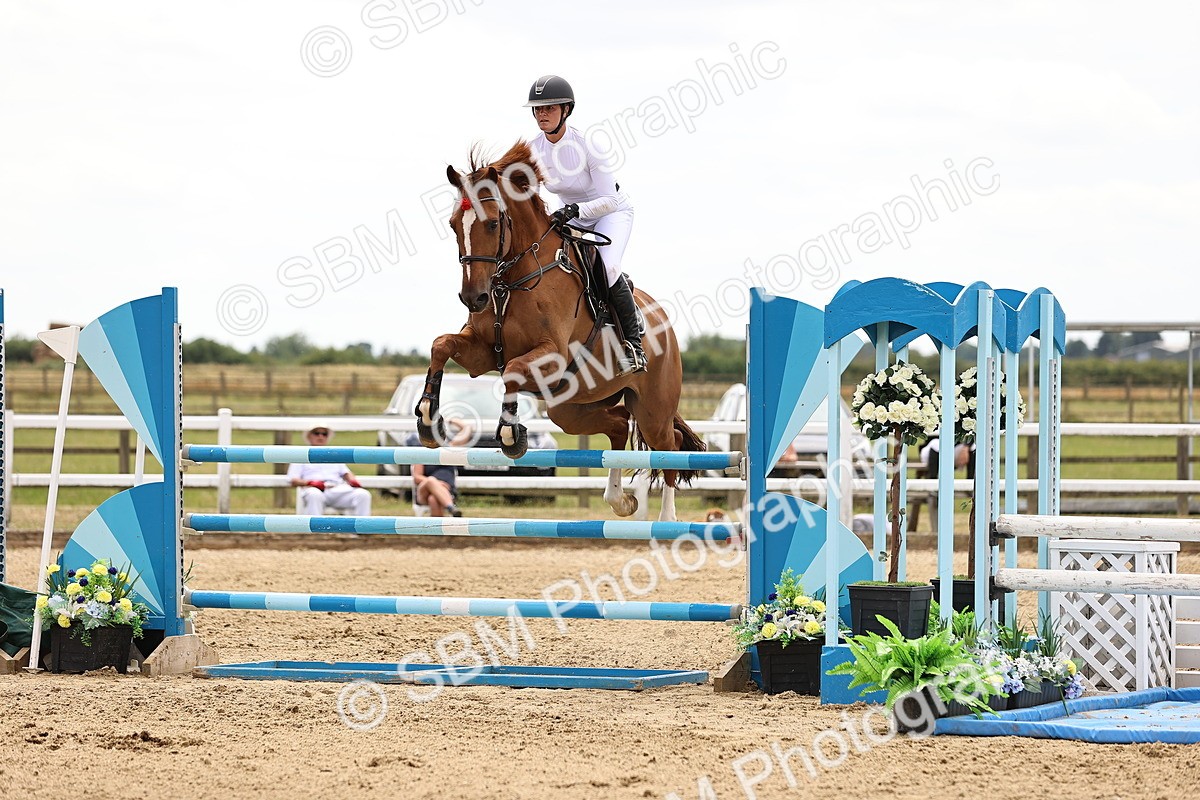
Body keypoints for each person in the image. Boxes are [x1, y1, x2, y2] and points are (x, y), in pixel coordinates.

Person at [524, 74, 646, 375]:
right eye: (538, 109)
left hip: (611, 212)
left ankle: (633, 345)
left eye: (549, 108)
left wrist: (574, 209)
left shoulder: (588, 145)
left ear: (566, 110)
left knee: (605, 266)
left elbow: (609, 199)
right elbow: (528, 195)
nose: (543, 114)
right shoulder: (531, 149)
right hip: (571, 213)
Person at [287, 424, 372, 516]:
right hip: (314, 489)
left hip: (337, 488)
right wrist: (310, 483)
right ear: (309, 436)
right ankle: (316, 528)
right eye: (317, 433)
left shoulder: (333, 454)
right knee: (314, 495)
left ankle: (362, 527)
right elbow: (293, 479)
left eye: (324, 434)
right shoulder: (301, 455)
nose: (321, 436)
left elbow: (346, 472)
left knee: (363, 495)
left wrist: (353, 480)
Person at [404, 418, 474, 517]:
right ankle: (451, 507)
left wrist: (451, 420)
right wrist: (435, 483)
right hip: (424, 491)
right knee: (431, 481)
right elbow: (417, 477)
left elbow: (467, 429)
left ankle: (437, 530)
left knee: (433, 499)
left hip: (446, 490)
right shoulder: (421, 452)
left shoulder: (449, 448)